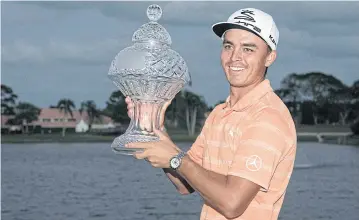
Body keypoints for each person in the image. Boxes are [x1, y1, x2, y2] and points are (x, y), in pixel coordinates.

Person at [125, 8, 297, 220]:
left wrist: (174, 158)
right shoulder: (220, 113)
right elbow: (185, 183)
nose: (235, 57)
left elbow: (232, 203)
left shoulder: (268, 117)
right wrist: (155, 130)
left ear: (269, 57)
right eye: (228, 46)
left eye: (248, 49)